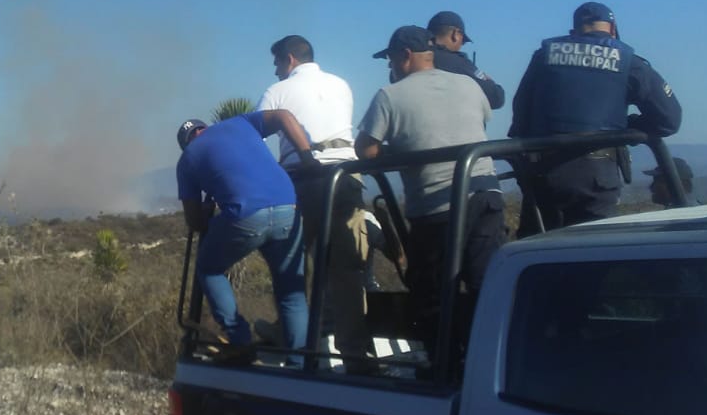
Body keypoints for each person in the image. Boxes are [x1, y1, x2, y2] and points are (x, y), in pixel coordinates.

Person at [355, 26, 507, 352]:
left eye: (391, 59)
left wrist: (399, 151)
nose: (389, 67)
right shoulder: (468, 84)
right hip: (486, 195)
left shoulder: (390, 95)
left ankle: (443, 368)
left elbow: (364, 150)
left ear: (406, 56)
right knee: (487, 286)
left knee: (434, 293)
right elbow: (478, 122)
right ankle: (493, 358)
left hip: (438, 208)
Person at [510, 2, 682, 235]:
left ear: (574, 31)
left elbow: (520, 115)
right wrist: (627, 127)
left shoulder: (544, 56)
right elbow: (669, 120)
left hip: (543, 174)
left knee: (536, 250)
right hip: (596, 177)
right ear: (612, 30)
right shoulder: (627, 60)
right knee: (595, 253)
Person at [256, 34, 374, 371]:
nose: (276, 70)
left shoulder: (277, 92)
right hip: (347, 176)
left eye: (278, 62)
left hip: (303, 179)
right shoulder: (341, 84)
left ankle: (290, 336)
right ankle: (354, 353)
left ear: (290, 59)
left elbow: (255, 135)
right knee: (346, 267)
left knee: (292, 261)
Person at [176, 109, 318, 363]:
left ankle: (239, 338)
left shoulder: (187, 159)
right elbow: (284, 115)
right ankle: (301, 364)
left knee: (208, 268)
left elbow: (195, 221)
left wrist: (208, 212)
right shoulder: (240, 122)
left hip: (246, 215)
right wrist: (306, 156)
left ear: (186, 143)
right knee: (291, 293)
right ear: (205, 128)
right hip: (289, 205)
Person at [427, 11, 505, 109]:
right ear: (455, 34)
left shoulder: (414, 59)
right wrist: (489, 81)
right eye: (463, 41)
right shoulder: (459, 64)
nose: (461, 45)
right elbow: (496, 98)